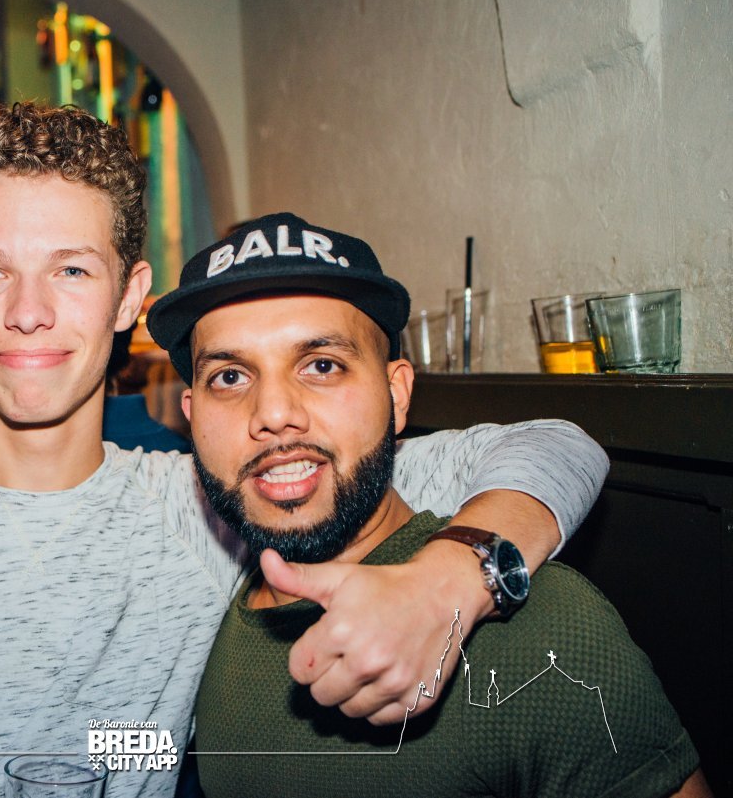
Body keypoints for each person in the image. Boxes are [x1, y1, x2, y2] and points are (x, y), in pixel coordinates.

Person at [0, 103, 606, 798]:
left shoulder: (215, 503)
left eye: (71, 269)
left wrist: (450, 579)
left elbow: (556, 445)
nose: (28, 312)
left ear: (130, 297)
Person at [144, 214, 709, 797]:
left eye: (322, 365)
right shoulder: (206, 609)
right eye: (230, 376)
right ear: (192, 417)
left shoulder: (540, 627)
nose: (274, 412)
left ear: (397, 395)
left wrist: (454, 577)